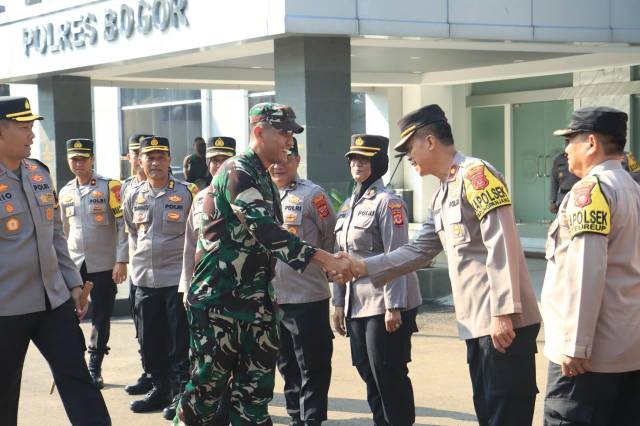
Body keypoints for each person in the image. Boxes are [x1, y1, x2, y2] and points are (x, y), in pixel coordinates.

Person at [333, 105, 542, 426]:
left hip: (504, 324)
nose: (407, 157)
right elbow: (418, 250)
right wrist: (362, 267)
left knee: (506, 414)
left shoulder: (477, 176)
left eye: (409, 148)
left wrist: (504, 311)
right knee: (490, 412)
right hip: (478, 324)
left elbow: (502, 243)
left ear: (430, 142)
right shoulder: (444, 192)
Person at [176, 102, 352, 425]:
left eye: (291, 134)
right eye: (284, 133)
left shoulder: (265, 180)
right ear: (259, 132)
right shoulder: (237, 172)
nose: (289, 140)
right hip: (219, 306)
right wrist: (322, 258)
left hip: (256, 306)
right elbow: (264, 230)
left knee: (254, 401)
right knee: (205, 396)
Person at [0, 96, 110, 425]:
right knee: (5, 391)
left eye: (32, 127)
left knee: (77, 378)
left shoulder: (39, 173)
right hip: (6, 309)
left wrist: (73, 283)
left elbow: (56, 236)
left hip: (53, 302)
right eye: (23, 128)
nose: (32, 134)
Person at [542, 106, 640, 425]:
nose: (566, 149)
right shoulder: (632, 189)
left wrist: (576, 344)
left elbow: (587, 270)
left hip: (587, 359)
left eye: (571, 140)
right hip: (627, 350)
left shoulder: (591, 191)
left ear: (592, 143)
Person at [333, 134, 422, 426]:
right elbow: (340, 257)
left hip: (383, 304)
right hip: (355, 304)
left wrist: (393, 305)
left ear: (378, 163)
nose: (357, 164)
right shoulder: (347, 206)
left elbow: (397, 255)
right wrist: (337, 302)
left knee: (388, 372)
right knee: (366, 370)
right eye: (353, 159)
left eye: (364, 159)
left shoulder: (389, 203)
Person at [122, 136, 197, 416]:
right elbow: (131, 229)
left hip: (175, 279)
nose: (155, 163)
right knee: (149, 339)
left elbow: (195, 235)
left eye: (161, 157)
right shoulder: (133, 193)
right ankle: (159, 388)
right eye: (149, 157)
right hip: (144, 278)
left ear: (169, 160)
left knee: (179, 341)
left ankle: (180, 394)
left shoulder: (187, 192)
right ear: (141, 161)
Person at [269, 137, 336, 426]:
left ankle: (311, 420)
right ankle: (296, 416)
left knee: (313, 365)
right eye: (274, 159)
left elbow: (330, 238)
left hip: (307, 297)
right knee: (286, 364)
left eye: (286, 158)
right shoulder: (259, 196)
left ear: (297, 160)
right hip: (273, 298)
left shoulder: (313, 195)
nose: (279, 165)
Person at [58, 138, 128, 389]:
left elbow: (123, 226)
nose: (78, 163)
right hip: (76, 263)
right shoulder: (65, 191)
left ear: (91, 159)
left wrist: (121, 259)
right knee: (68, 315)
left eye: (82, 158)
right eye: (73, 159)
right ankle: (73, 362)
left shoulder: (110, 187)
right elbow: (63, 232)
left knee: (101, 317)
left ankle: (94, 366)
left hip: (105, 263)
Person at [178, 135, 236, 423]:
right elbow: (191, 245)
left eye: (224, 159)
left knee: (234, 359)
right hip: (204, 294)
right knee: (206, 359)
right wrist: (187, 287)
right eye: (213, 159)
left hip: (237, 295)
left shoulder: (246, 193)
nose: (218, 165)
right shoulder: (199, 198)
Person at [121, 133, 157, 396]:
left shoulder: (181, 190)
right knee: (142, 327)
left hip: (165, 272)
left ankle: (166, 379)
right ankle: (149, 372)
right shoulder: (125, 189)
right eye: (135, 153)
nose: (137, 158)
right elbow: (127, 230)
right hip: (139, 267)